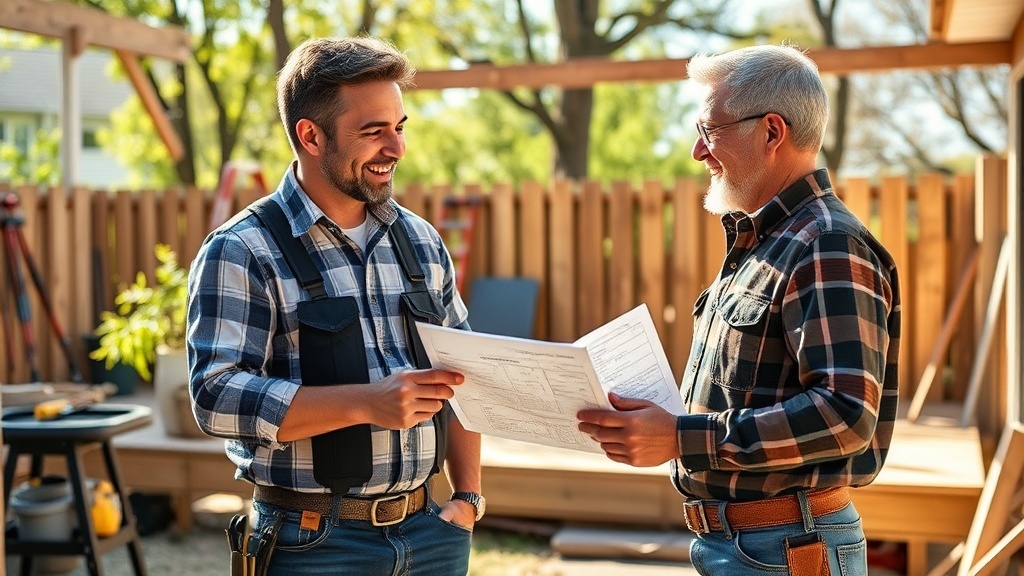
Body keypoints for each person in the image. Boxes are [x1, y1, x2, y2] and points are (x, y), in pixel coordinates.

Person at [577, 44, 900, 576]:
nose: (697, 153)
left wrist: (679, 436)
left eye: (710, 131)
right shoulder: (768, 241)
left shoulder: (826, 243)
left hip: (788, 548)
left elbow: (845, 415)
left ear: (771, 132)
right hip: (756, 544)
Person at [186, 36, 483, 576]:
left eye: (399, 126)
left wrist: (468, 500)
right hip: (313, 546)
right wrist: (365, 402)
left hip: (433, 537)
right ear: (311, 135)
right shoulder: (243, 249)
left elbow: (464, 376)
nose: (396, 148)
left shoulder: (420, 241)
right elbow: (214, 396)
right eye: (373, 132)